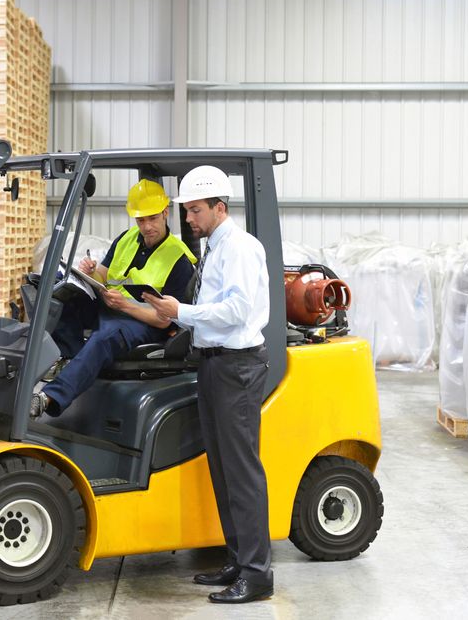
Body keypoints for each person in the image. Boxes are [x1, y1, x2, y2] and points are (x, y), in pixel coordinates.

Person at [143, 164, 273, 605]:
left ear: (220, 207)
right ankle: (238, 558)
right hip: (214, 364)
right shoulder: (214, 248)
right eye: (187, 210)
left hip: (237, 367)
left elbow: (237, 311)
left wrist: (180, 312)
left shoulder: (240, 248)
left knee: (242, 472)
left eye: (195, 210)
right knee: (221, 468)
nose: (189, 218)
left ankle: (257, 575)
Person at [30, 179, 196, 418]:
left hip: (142, 321)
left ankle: (50, 397)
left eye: (152, 218)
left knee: (105, 337)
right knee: (57, 286)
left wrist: (125, 306)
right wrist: (91, 273)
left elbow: (164, 320)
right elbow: (105, 275)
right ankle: (70, 359)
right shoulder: (126, 239)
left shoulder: (179, 260)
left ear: (165, 213)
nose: (147, 226)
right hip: (113, 306)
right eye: (141, 220)